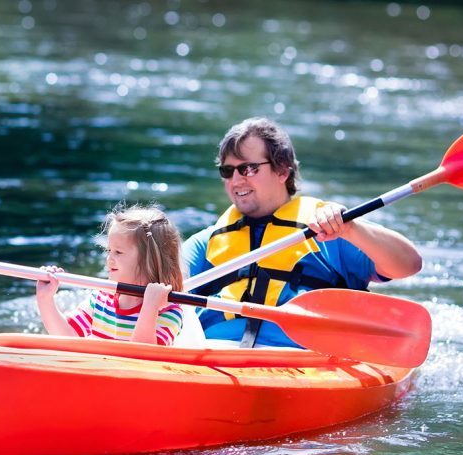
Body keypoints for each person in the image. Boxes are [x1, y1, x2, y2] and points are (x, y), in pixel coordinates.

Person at [183, 117, 423, 348]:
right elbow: (159, 281)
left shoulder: (331, 231)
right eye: (227, 171)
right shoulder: (206, 243)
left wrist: (352, 229)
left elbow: (409, 264)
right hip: (215, 351)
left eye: (248, 169)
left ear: (282, 172)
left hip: (303, 356)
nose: (235, 181)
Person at [36, 205, 184, 346]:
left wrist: (150, 307)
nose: (109, 259)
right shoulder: (101, 298)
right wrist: (45, 299)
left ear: (149, 260)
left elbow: (144, 359)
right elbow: (67, 337)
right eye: (109, 251)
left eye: (118, 252)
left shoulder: (169, 311)